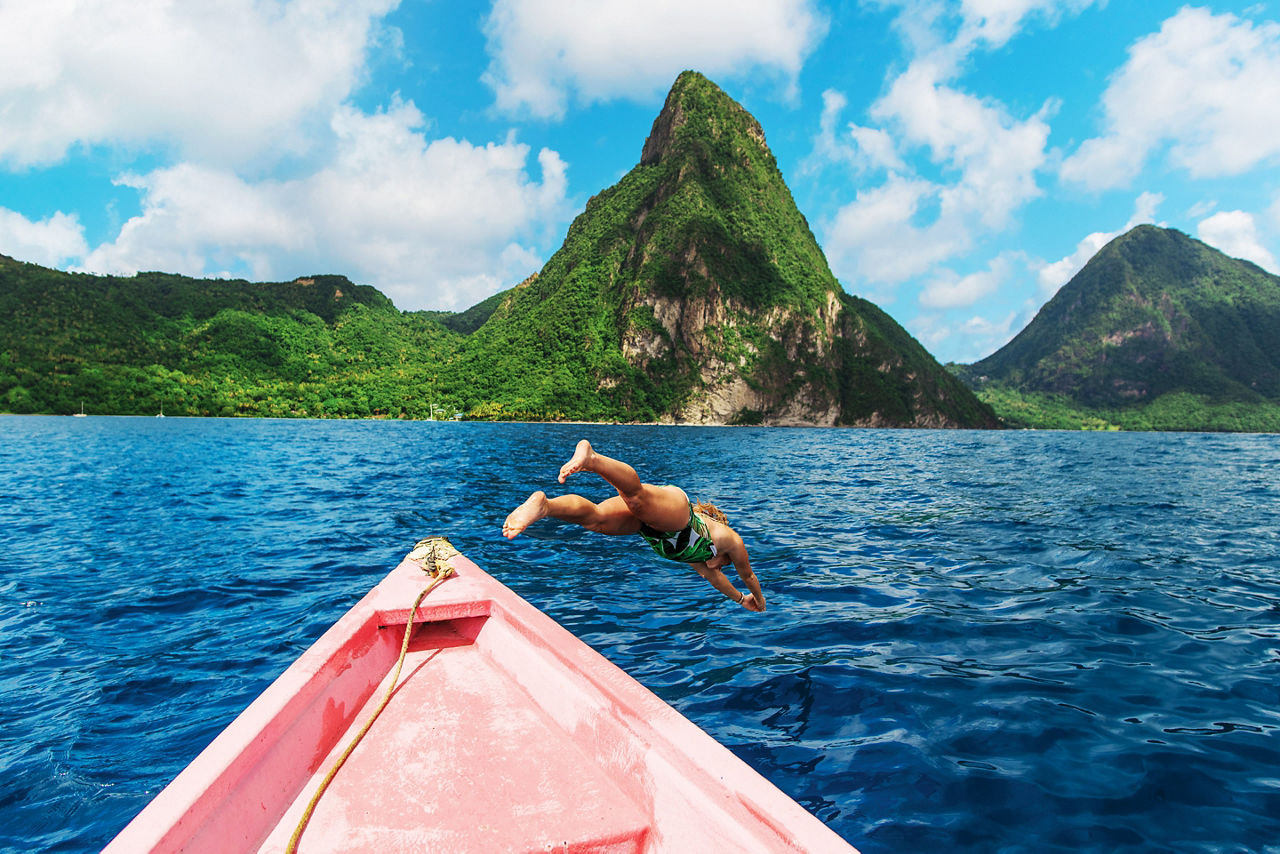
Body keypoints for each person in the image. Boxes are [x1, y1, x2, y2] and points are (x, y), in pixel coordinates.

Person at [502, 440, 766, 612]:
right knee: (636, 498)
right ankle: (592, 459)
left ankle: (545, 506)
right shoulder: (726, 539)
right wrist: (761, 600)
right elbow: (747, 576)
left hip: (648, 528)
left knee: (595, 519)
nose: (719, 567)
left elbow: (717, 581)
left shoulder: (697, 560)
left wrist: (742, 600)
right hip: (679, 513)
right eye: (723, 563)